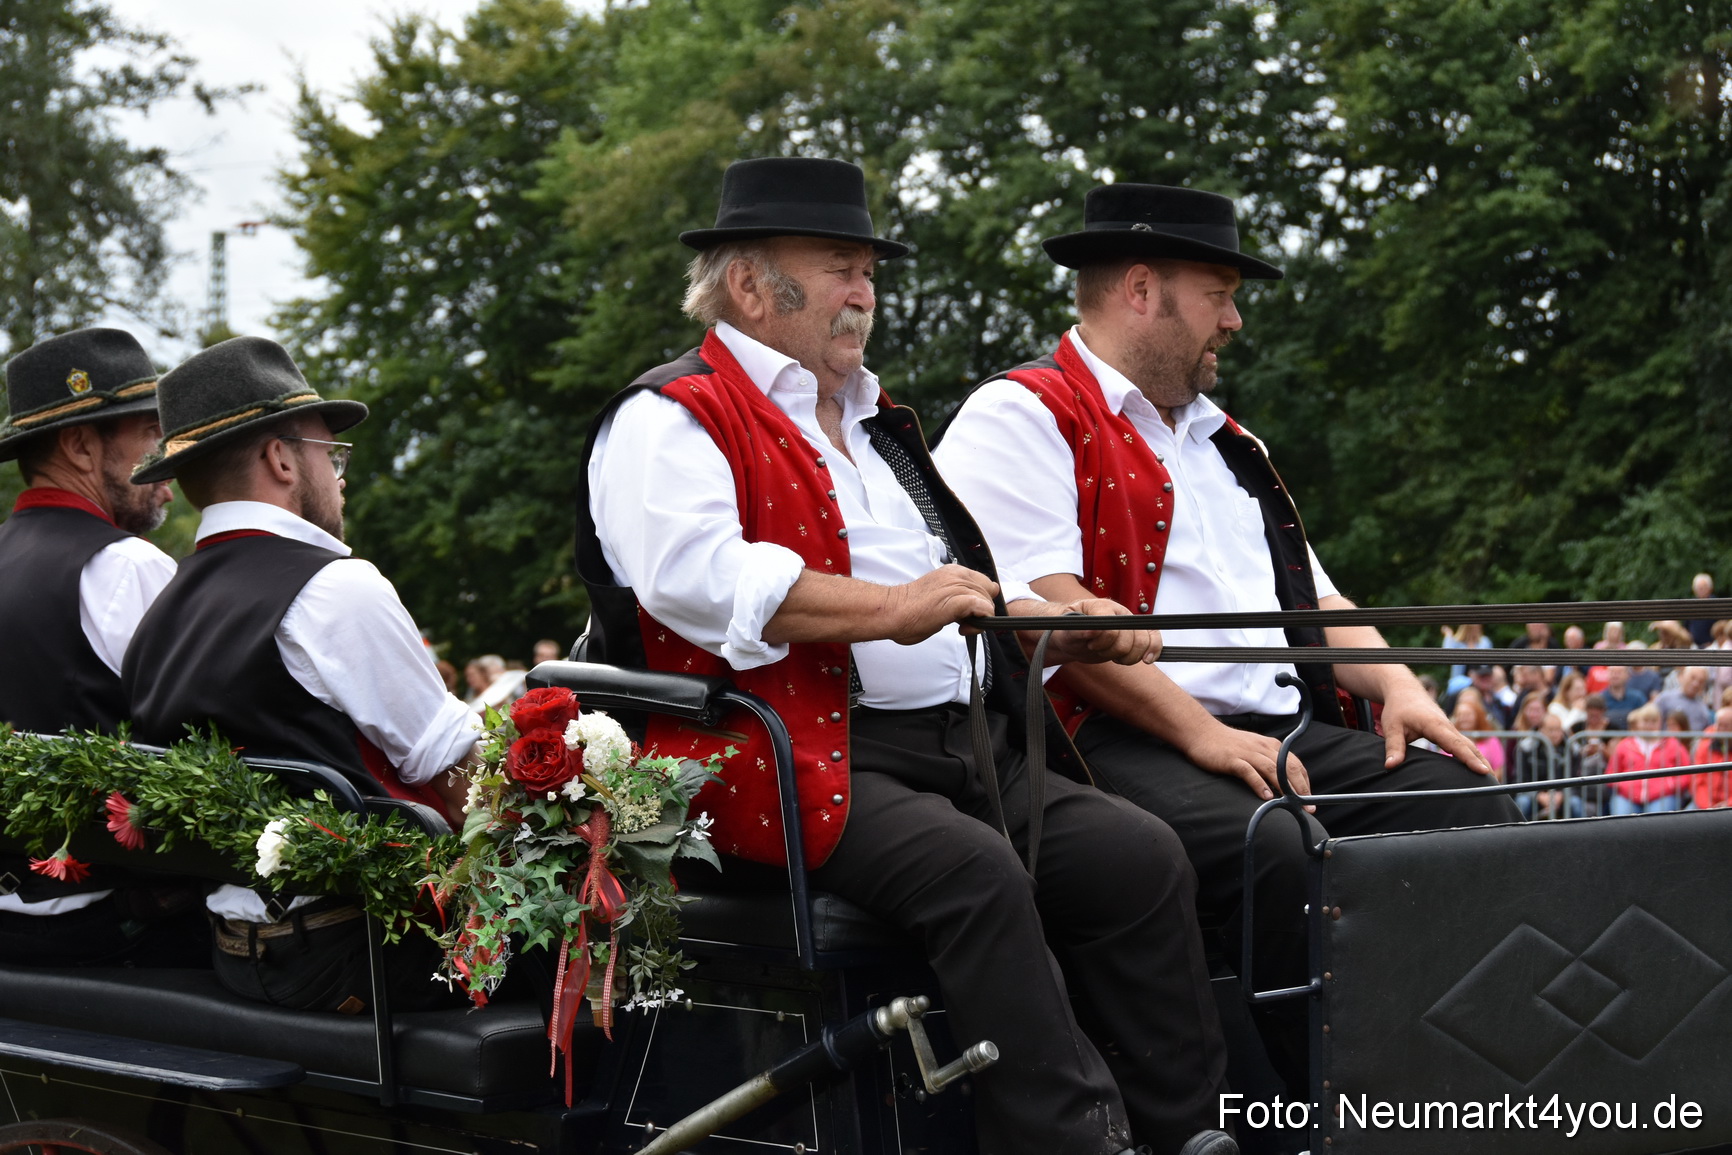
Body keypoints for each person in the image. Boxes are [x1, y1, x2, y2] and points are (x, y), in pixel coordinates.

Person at [577, 158, 1236, 1155]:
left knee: (1137, 856)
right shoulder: (668, 417)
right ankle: (1079, 1141)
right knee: (975, 875)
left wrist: (1057, 622)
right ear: (752, 286)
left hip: (957, 744)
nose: (865, 294)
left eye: (869, 273)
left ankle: (1192, 1132)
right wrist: (891, 609)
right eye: (842, 268)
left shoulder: (878, 424)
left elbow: (949, 584)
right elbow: (696, 578)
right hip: (784, 755)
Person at [931, 181, 1520, 1101]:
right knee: (1272, 843)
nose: (1236, 320)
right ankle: (1313, 1105)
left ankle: (1456, 1074)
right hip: (1108, 743)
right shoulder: (1020, 414)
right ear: (1140, 289)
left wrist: (1402, 688)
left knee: (1468, 805)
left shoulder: (1228, 442)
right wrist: (1201, 735)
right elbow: (1047, 612)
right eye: (1219, 293)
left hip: (1269, 731)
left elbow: (1316, 603)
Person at [121, 335, 478, 1011]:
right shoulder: (336, 588)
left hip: (238, 949)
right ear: (281, 457)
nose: (340, 477)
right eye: (330, 455)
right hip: (367, 950)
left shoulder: (159, 611)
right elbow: (464, 787)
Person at [0, 327, 195, 967]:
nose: (167, 474)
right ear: (82, 445)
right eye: (150, 440)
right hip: (100, 927)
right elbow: (204, 749)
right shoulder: (125, 565)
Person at [1604, 703, 1692, 814]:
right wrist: (1624, 785)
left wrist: (1671, 785)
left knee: (1657, 823)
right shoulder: (1625, 745)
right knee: (1622, 823)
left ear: (1660, 723)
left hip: (1662, 796)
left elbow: (1686, 772)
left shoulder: (1673, 744)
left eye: (1654, 721)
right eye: (1646, 721)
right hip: (1627, 796)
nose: (1649, 726)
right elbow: (1611, 773)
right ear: (1639, 723)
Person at [1691, 706, 1732, 810]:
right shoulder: (1705, 747)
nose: (1721, 730)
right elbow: (1697, 781)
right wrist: (1708, 807)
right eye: (1719, 725)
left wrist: (1728, 804)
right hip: (1705, 806)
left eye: (1726, 726)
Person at [1653, 666, 1713, 733]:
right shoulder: (1664, 699)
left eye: (1701, 681)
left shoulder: (1703, 710)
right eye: (1692, 678)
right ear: (1683, 676)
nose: (1696, 684)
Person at [1600, 663, 1647, 729]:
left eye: (1619, 672)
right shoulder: (1600, 698)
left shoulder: (1637, 697)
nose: (1615, 675)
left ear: (1627, 675)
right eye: (1612, 672)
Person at [1685, 573, 1716, 647]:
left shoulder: (1716, 603)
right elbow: (1686, 627)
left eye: (1703, 587)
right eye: (1698, 588)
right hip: (1693, 646)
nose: (1701, 590)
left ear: (1710, 588)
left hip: (1713, 645)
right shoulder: (1690, 605)